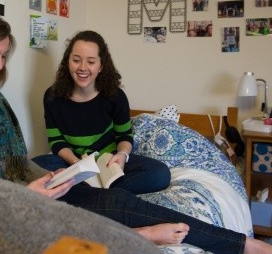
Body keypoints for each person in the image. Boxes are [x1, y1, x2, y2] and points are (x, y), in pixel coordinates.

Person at [0, 10, 272, 254]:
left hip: (23, 191)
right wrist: (29, 191)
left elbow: (12, 164)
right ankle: (146, 238)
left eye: (4, 56)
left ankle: (243, 244)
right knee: (112, 203)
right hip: (0, 205)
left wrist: (50, 178)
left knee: (123, 200)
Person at [32, 30, 170, 195]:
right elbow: (56, 142)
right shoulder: (52, 96)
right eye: (76, 60)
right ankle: (97, 193)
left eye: (91, 62)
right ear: (68, 62)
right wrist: (79, 167)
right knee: (30, 167)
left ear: (101, 66)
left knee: (159, 173)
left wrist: (122, 155)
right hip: (73, 163)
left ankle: (87, 194)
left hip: (108, 163)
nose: (83, 68)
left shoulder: (115, 96)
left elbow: (125, 137)